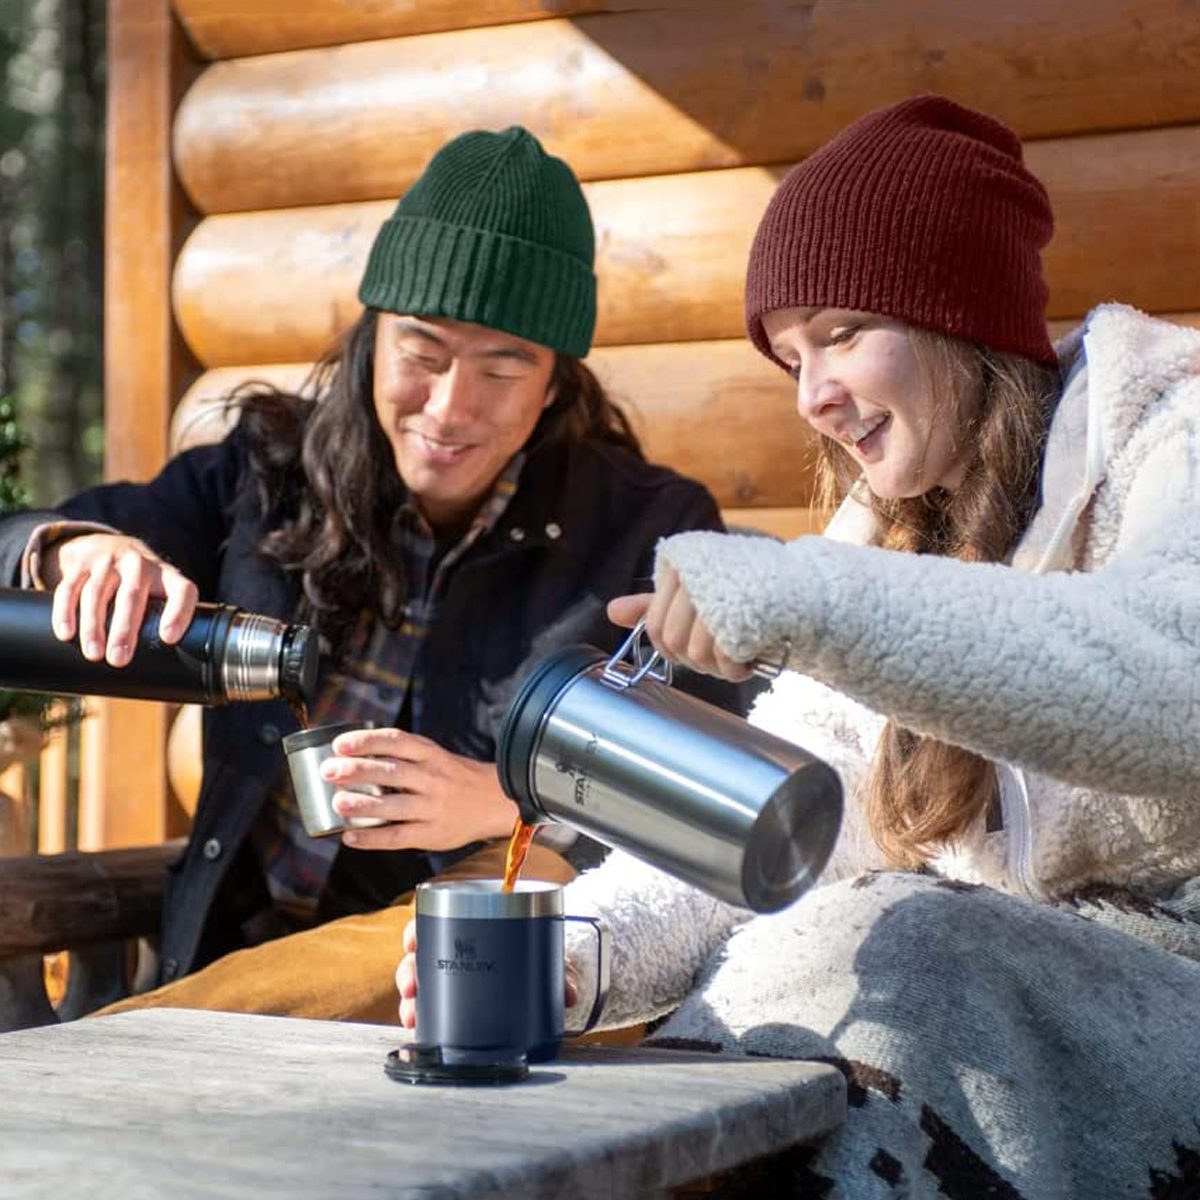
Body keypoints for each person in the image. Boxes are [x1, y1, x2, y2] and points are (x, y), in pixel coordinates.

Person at [396, 97, 1200, 1193]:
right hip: (1018, 1033)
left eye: (840, 334)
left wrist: (808, 596)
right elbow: (788, 833)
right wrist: (572, 952)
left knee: (906, 942)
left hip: (1167, 1017)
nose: (814, 397)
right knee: (851, 944)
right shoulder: (894, 534)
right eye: (789, 358)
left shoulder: (1173, 440)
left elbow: (1167, 685)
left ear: (956, 310)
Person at [0, 126, 745, 1022]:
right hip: (232, 957)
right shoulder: (271, 470)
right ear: (372, 337)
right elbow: (66, 531)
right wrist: (75, 547)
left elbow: (706, 806)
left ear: (555, 383)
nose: (450, 407)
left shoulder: (645, 530)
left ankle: (105, 1068)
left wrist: (506, 800)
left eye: (503, 368)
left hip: (451, 984)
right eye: (422, 354)